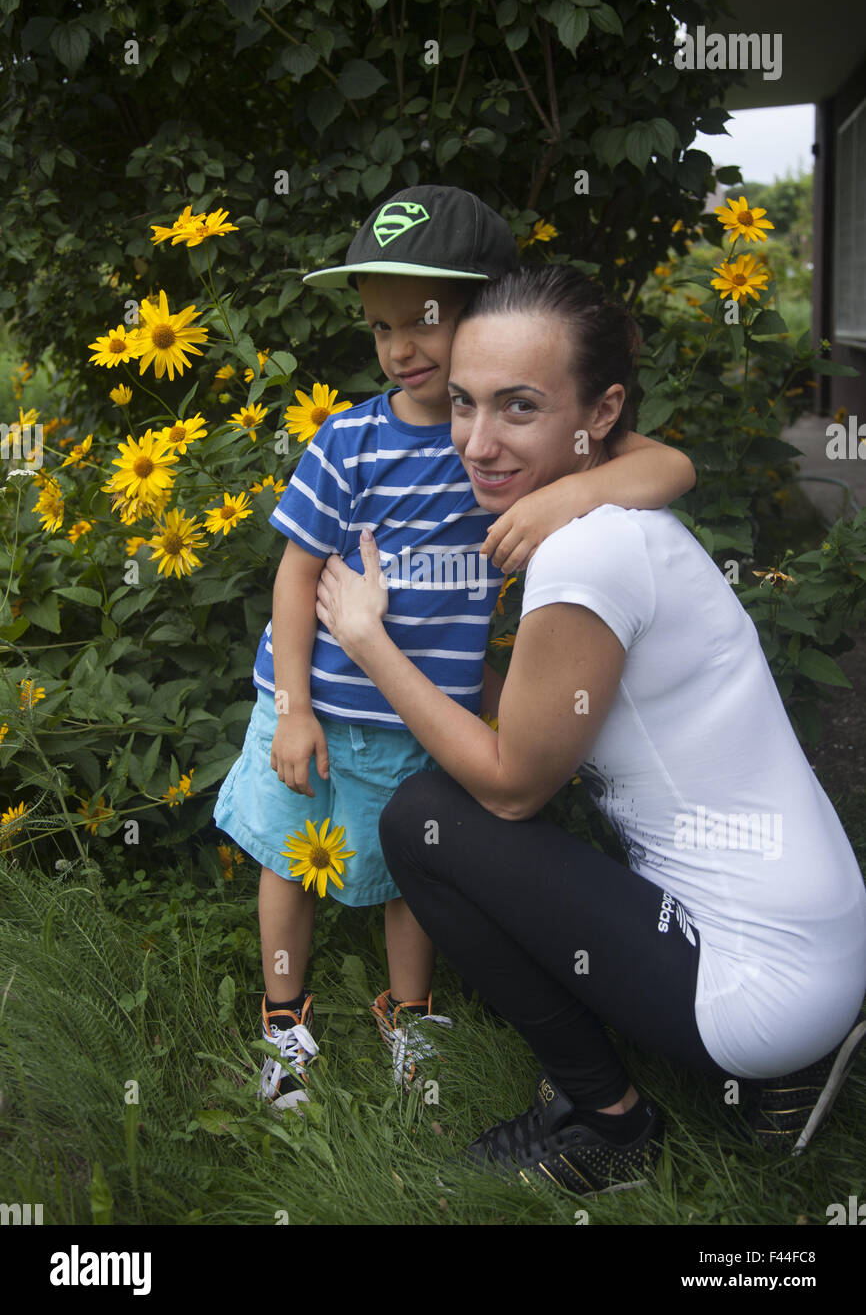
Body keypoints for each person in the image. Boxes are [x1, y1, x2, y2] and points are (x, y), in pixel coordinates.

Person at [314, 263, 866, 1196]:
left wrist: (369, 643)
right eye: (463, 404)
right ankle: (790, 1068)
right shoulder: (614, 508)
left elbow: (511, 783)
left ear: (600, 412)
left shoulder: (587, 552)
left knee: (423, 820)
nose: (477, 445)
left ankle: (606, 1121)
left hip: (761, 983)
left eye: (518, 408)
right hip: (818, 935)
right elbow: (534, 710)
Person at [213, 188, 697, 1109]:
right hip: (320, 706)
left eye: (426, 319)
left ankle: (411, 1017)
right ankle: (285, 1022)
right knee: (288, 865)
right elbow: (293, 575)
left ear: (492, 311)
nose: (401, 346)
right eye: (381, 326)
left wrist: (563, 498)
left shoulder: (518, 442)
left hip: (424, 721)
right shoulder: (350, 440)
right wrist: (294, 709)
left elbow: (670, 467)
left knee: (411, 872)